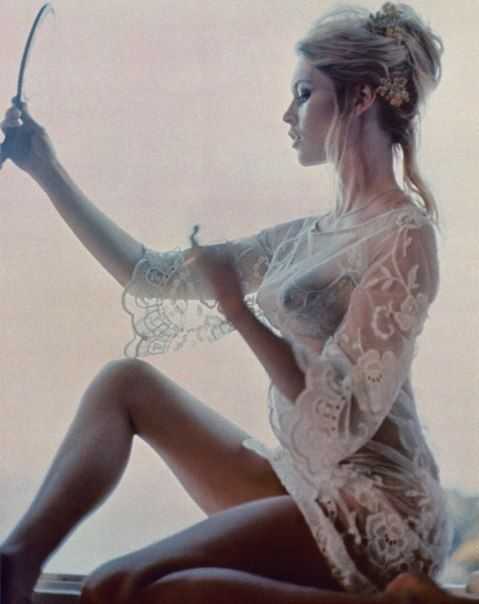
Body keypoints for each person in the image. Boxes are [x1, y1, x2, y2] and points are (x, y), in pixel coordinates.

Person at [0, 2, 470, 604]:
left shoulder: (403, 234)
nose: (287, 114)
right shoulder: (303, 239)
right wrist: (45, 168)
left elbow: (338, 427)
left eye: (304, 93)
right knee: (125, 382)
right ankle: (15, 564)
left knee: (114, 586)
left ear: (360, 99)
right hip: (305, 483)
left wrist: (238, 311)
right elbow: (150, 275)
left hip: (379, 512)